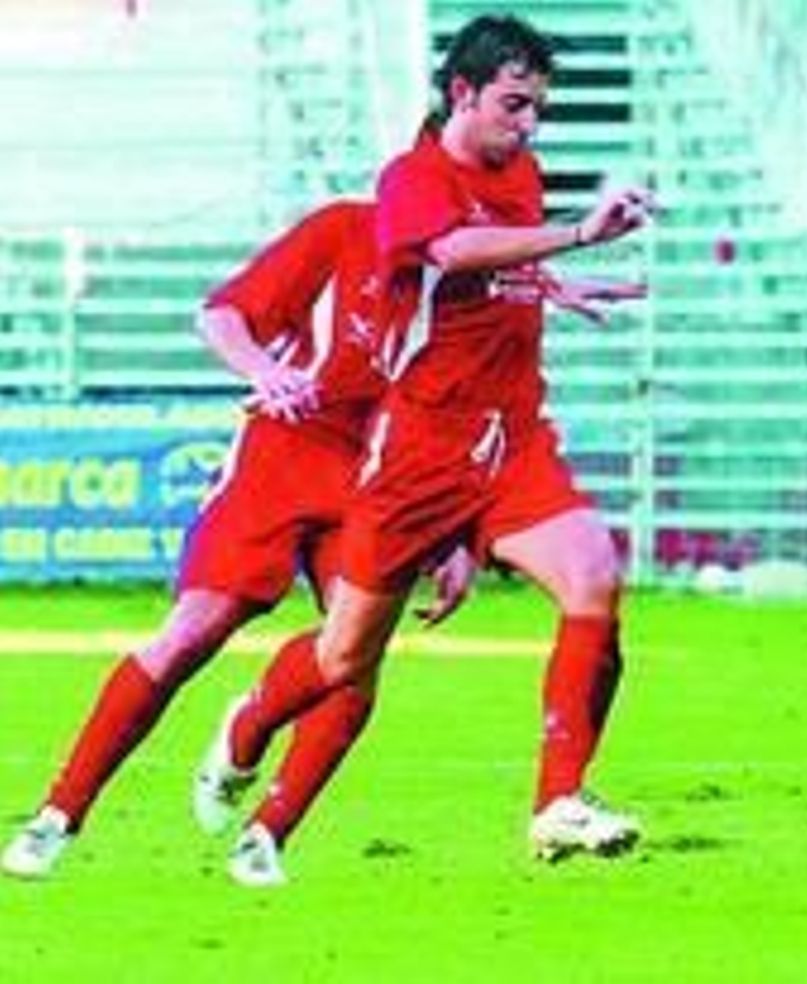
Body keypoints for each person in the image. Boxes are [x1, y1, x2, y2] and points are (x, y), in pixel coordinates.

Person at [191, 13, 656, 887]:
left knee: (592, 573)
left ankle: (558, 801)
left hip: (512, 438)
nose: (530, 125)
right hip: (421, 449)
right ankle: (249, 724)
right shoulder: (412, 178)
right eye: (515, 104)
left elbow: (487, 273)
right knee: (343, 658)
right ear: (462, 93)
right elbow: (451, 249)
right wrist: (575, 236)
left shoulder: (521, 172)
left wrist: (553, 283)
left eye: (539, 107)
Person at [0, 200, 476, 880]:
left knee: (353, 657)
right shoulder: (346, 229)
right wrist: (264, 371)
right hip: (284, 451)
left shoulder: (484, 279)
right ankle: (58, 815)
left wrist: (459, 532)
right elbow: (220, 315)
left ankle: (266, 834)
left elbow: (478, 410)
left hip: (383, 478)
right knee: (193, 630)